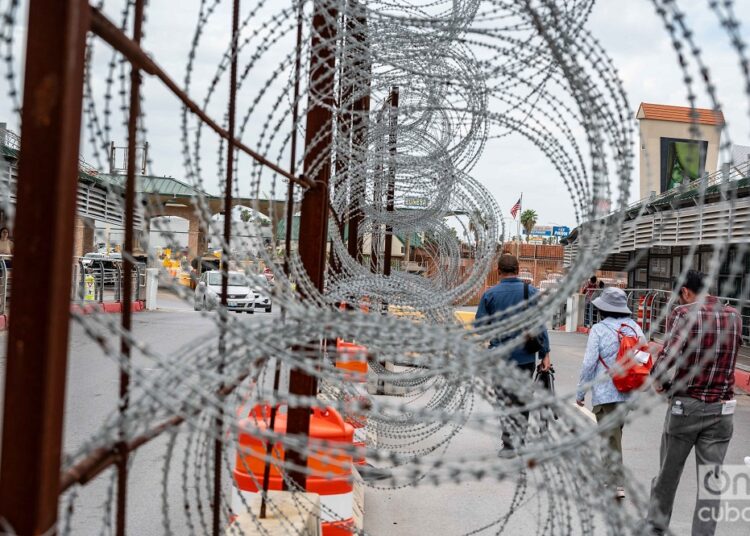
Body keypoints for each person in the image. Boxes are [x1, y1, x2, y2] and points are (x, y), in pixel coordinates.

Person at [645, 270, 742, 535]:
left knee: (668, 476)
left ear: (686, 291)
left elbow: (666, 362)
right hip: (722, 412)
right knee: (711, 482)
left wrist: (660, 385)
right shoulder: (734, 316)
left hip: (686, 407)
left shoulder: (685, 314)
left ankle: (655, 528)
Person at [475, 254, 551, 456]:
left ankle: (508, 444)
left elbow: (480, 327)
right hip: (525, 356)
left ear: (498, 271)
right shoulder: (531, 292)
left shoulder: (490, 295)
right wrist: (546, 354)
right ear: (517, 270)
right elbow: (540, 325)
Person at [575, 287, 644, 500]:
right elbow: (643, 357)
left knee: (611, 437)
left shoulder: (599, 329)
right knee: (612, 434)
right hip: (629, 391)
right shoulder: (634, 328)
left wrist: (581, 392)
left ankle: (616, 483)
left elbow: (589, 363)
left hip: (606, 392)